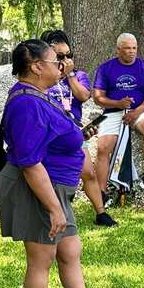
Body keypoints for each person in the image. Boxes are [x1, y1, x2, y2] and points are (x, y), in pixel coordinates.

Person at [0, 39, 121, 288]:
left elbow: (49, 139)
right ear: (37, 67)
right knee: (41, 260)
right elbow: (29, 161)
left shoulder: (39, 96)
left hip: (54, 189)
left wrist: (77, 136)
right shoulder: (27, 102)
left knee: (70, 251)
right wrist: (54, 208)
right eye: (57, 60)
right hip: (41, 191)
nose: (63, 65)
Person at [41, 30, 117, 227]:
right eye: (60, 56)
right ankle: (53, 210)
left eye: (69, 55)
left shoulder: (78, 75)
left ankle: (101, 212)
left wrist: (70, 74)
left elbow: (83, 96)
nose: (65, 60)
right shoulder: (43, 78)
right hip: (49, 134)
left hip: (73, 131)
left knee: (88, 173)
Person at [93, 33, 144, 202]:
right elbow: (97, 98)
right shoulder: (105, 68)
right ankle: (102, 193)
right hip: (114, 111)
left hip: (140, 110)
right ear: (118, 49)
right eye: (127, 48)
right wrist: (117, 103)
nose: (132, 52)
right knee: (102, 147)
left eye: (134, 48)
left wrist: (137, 111)